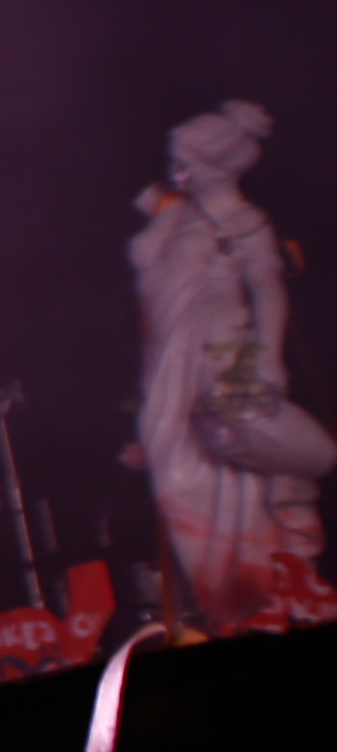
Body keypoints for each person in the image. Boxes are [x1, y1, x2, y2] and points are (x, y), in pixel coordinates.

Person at [130, 97, 332, 629]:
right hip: (169, 362)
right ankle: (229, 603)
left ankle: (257, 596)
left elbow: (268, 289)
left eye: (185, 164)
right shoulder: (178, 213)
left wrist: (268, 360)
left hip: (218, 349)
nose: (176, 174)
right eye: (174, 163)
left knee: (231, 467)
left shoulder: (244, 221)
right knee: (176, 475)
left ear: (218, 166)